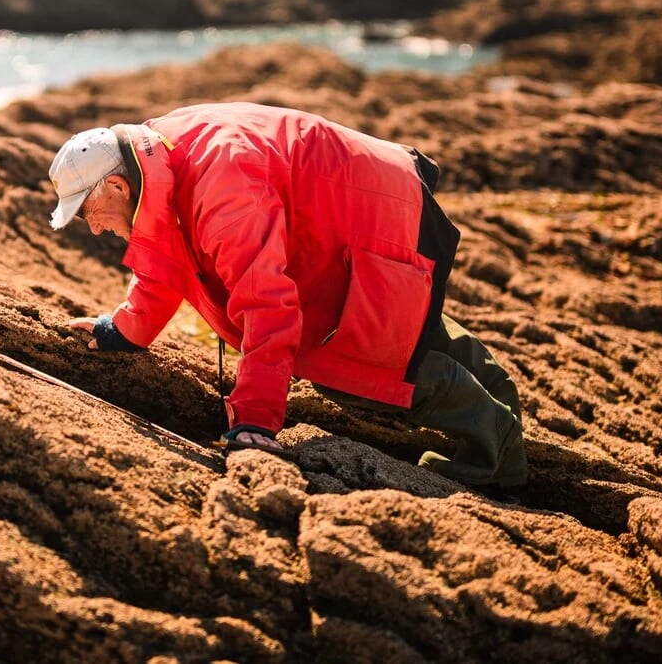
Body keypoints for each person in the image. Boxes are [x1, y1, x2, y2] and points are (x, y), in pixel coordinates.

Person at [48, 102, 527, 486]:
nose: (94, 229)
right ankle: (499, 400)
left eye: (88, 212)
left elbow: (266, 306)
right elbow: (166, 254)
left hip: (379, 215)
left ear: (117, 184)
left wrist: (255, 421)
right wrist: (122, 331)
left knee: (357, 361)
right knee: (396, 319)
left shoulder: (222, 190)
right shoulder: (158, 153)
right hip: (357, 203)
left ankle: (494, 453)